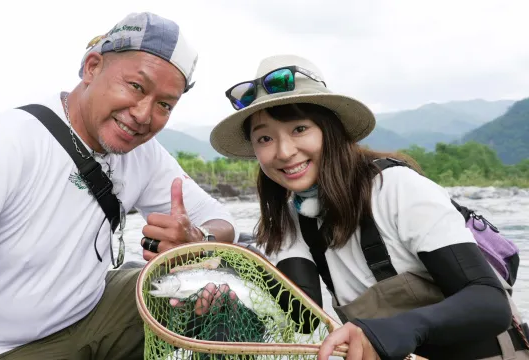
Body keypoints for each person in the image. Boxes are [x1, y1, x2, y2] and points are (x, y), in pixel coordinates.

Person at [0, 12, 238, 360]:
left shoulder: (144, 153)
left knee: (221, 284)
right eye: (136, 86)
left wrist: (199, 240)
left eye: (164, 104)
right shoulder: (8, 143)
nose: (144, 114)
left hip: (87, 318)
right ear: (92, 67)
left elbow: (223, 222)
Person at [207, 54, 529, 360]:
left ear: (331, 130)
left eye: (299, 129)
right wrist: (240, 302)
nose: (284, 151)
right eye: (264, 139)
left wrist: (395, 329)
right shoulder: (291, 220)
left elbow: (489, 302)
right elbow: (304, 321)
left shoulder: (396, 188)